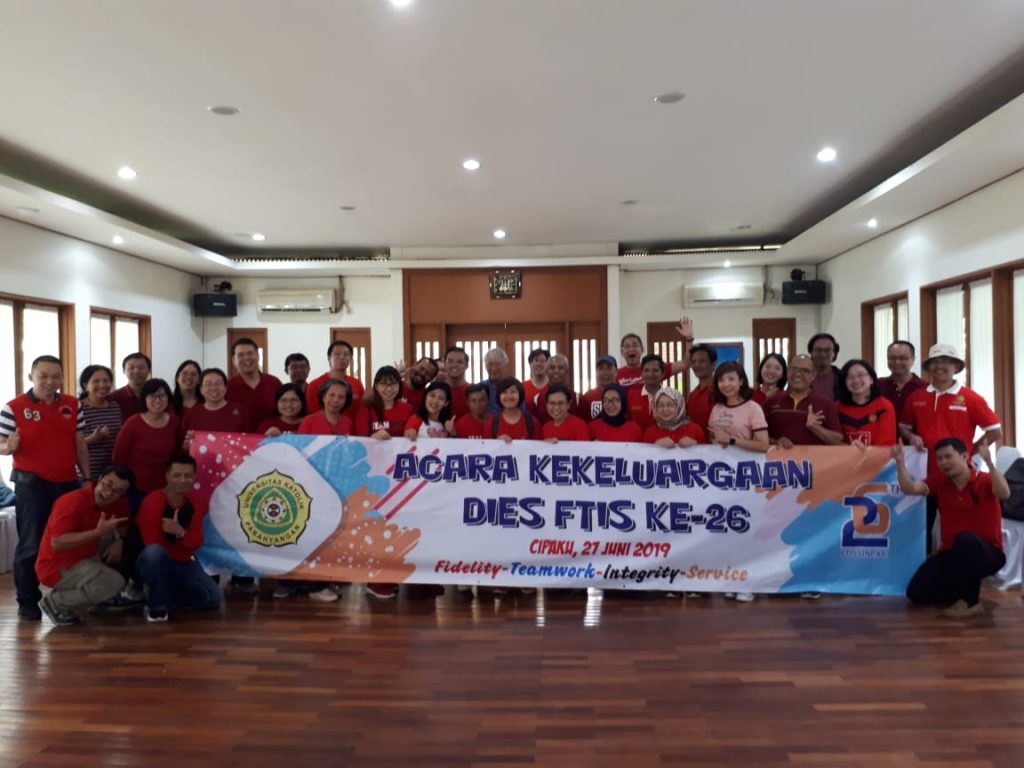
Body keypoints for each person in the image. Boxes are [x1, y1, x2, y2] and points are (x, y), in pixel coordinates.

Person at [0, 355, 90, 620]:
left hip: (68, 484)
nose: (50, 381)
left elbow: (80, 444)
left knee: (69, 540)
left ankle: (68, 596)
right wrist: (7, 446)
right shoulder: (13, 407)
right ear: (31, 377)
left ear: (62, 378)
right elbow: (1, 444)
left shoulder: (73, 405)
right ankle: (28, 599)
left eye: (56, 376)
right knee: (31, 544)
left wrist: (87, 478)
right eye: (44, 376)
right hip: (32, 487)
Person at [900, 343, 1002, 556]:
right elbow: (904, 428)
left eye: (946, 361)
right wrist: (911, 437)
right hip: (924, 476)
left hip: (958, 479)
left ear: (956, 366)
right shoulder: (916, 397)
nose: (940, 366)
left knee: (959, 531)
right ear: (928, 367)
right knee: (921, 531)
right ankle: (926, 569)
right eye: (935, 362)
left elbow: (994, 431)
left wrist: (970, 452)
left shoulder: (971, 398)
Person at [894, 439, 1007, 618]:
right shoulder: (940, 482)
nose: (944, 462)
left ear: (965, 457)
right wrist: (900, 463)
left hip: (988, 553)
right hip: (952, 553)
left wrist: (990, 463)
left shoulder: (984, 480)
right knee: (916, 593)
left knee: (965, 540)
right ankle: (959, 593)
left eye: (948, 457)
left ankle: (970, 603)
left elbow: (1004, 493)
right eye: (939, 459)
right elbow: (911, 488)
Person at [34, 466, 134, 626]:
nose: (109, 493)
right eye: (108, 484)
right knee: (115, 582)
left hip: (87, 556)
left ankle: (100, 599)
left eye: (117, 491)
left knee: (129, 545)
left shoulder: (120, 503)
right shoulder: (71, 501)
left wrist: (119, 541)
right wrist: (97, 533)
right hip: (57, 565)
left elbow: (122, 524)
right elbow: (58, 543)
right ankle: (56, 602)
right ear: (99, 479)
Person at [134, 455, 222, 622]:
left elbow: (197, 542)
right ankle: (157, 608)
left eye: (187, 476)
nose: (182, 480)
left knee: (213, 598)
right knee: (155, 553)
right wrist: (184, 540)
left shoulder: (196, 501)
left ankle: (161, 594)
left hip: (182, 563)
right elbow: (152, 544)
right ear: (167, 476)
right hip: (153, 563)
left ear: (194, 477)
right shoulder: (152, 501)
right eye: (177, 475)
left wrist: (179, 532)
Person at [763, 354, 844, 448]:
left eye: (805, 371)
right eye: (794, 369)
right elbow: (755, 436)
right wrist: (776, 442)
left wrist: (816, 428)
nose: (797, 374)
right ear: (788, 371)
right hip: (779, 457)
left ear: (813, 375)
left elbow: (838, 442)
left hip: (815, 458)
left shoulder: (826, 403)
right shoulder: (771, 401)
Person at [707, 362, 769, 453]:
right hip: (719, 459)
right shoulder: (716, 408)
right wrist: (715, 440)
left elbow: (764, 446)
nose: (726, 384)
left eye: (731, 379)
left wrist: (731, 440)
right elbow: (711, 437)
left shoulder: (753, 409)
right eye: (721, 380)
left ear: (741, 381)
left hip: (744, 460)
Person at [616, 318, 693, 391]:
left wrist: (689, 338)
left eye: (635, 345)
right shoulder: (616, 375)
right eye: (627, 346)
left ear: (642, 349)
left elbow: (686, 363)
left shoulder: (655, 369)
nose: (631, 349)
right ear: (621, 352)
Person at [835, 359, 897, 446]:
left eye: (861, 375)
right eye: (850, 377)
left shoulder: (884, 406)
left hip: (878, 454)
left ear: (871, 379)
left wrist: (865, 451)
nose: (856, 381)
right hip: (845, 454)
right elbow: (833, 441)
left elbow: (886, 444)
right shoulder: (837, 408)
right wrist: (849, 449)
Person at [226, 337, 283, 432]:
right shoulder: (227, 387)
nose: (246, 358)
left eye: (250, 353)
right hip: (240, 440)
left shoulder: (274, 382)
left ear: (258, 356)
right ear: (233, 360)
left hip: (271, 438)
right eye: (240, 355)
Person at [78, 364, 123, 482]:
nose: (102, 385)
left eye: (106, 381)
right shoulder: (77, 407)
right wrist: (93, 438)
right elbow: (69, 444)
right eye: (96, 381)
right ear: (85, 385)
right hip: (86, 473)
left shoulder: (115, 407)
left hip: (111, 471)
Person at [305, 340, 366, 416]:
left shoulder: (357, 383)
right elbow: (313, 414)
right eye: (337, 354)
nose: (342, 357)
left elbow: (361, 410)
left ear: (350, 358)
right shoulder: (315, 385)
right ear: (329, 358)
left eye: (346, 354)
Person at [183, 368, 249, 438]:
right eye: (208, 384)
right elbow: (183, 442)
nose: (214, 388)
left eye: (218, 383)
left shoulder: (241, 411)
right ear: (201, 389)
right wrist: (187, 442)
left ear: (225, 388)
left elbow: (249, 440)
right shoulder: (192, 414)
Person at [878, 340, 926, 424]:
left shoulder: (924, 388)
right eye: (892, 358)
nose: (897, 362)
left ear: (913, 359)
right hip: (884, 432)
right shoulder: (877, 385)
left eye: (902, 358)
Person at [360, 366, 413, 438]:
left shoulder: (408, 409)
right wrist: (372, 437)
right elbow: (360, 439)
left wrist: (412, 432)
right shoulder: (366, 409)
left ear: (399, 385)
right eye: (384, 384)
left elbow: (412, 432)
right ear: (376, 386)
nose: (389, 389)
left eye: (394, 383)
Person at [532, 353, 579, 423]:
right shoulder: (537, 399)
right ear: (547, 371)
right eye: (552, 368)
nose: (556, 371)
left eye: (560, 368)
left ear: (567, 371)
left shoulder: (578, 399)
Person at [626, 354, 667, 432]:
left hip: (664, 439)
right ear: (641, 374)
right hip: (637, 439)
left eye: (655, 370)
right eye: (646, 370)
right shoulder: (630, 396)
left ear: (663, 374)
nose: (650, 374)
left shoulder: (671, 397)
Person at [685, 344, 717, 432]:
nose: (697, 365)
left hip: (716, 440)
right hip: (695, 440)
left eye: (702, 361)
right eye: (693, 361)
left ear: (713, 364)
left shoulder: (721, 391)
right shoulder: (692, 395)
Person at [110, 352, 152, 419]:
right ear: (124, 371)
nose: (136, 371)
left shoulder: (156, 395)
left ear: (149, 370)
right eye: (131, 368)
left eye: (141, 367)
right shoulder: (114, 397)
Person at [581, 355, 618, 421]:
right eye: (601, 368)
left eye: (609, 368)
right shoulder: (587, 396)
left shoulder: (624, 394)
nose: (605, 372)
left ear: (616, 372)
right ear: (596, 372)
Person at [807, 333, 841, 400]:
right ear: (811, 352)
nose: (823, 354)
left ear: (834, 353)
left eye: (827, 350)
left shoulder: (843, 378)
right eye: (818, 350)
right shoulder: (802, 376)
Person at [443, 346, 471, 418]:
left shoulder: (474, 391)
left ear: (466, 366)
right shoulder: (436, 390)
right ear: (445, 364)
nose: (454, 365)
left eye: (459, 362)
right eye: (450, 361)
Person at [481, 348, 510, 412]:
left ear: (505, 366)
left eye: (497, 364)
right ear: (486, 367)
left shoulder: (514, 387)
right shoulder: (480, 388)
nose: (494, 369)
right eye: (490, 365)